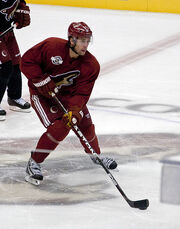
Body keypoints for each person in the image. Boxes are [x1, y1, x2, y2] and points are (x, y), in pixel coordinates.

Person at [20, 22, 117, 185]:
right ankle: (34, 162)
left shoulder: (91, 65)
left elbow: (82, 93)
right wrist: (40, 80)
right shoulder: (51, 46)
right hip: (42, 95)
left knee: (84, 121)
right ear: (71, 40)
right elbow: (27, 61)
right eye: (81, 40)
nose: (85, 45)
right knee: (60, 127)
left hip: (69, 96)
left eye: (88, 40)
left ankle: (95, 155)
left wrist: (75, 110)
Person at [0, 0, 31, 121]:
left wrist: (21, 9)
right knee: (5, 66)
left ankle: (14, 98)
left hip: (8, 32)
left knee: (16, 63)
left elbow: (19, 2)